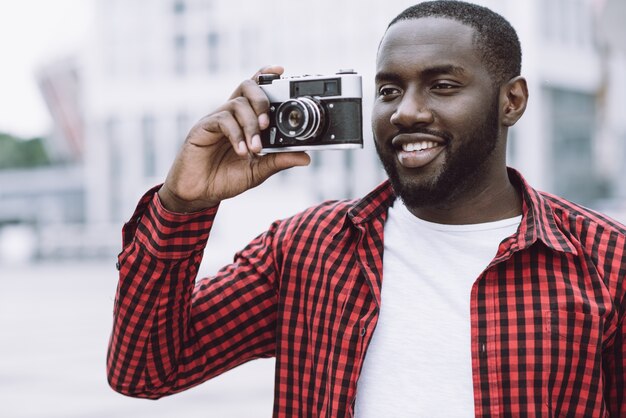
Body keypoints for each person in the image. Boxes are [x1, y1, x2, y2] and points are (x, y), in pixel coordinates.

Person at [107, 1, 626, 416]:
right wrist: (180, 206)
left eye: (442, 86)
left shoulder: (606, 260)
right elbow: (145, 369)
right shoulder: (307, 249)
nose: (406, 111)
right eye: (388, 89)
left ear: (511, 101)